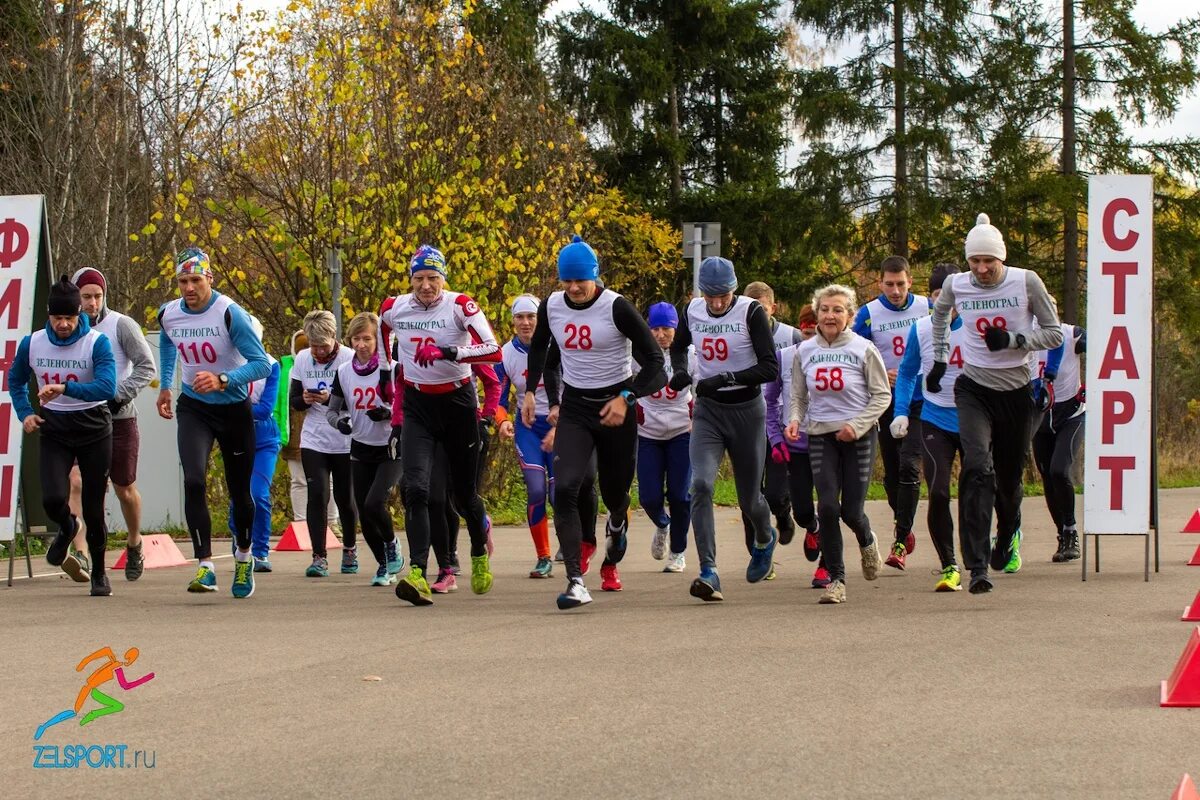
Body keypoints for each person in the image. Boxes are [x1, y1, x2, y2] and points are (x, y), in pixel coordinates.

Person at [524, 235, 665, 610]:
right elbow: (540, 349)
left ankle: (617, 523)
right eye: (567, 281)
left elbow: (656, 364)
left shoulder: (616, 307)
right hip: (576, 408)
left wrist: (627, 397)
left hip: (616, 408)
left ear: (595, 276)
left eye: (580, 281)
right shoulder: (552, 306)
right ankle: (575, 581)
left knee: (615, 494)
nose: (573, 288)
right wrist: (531, 391)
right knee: (566, 487)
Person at [929, 213, 1063, 593]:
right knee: (976, 468)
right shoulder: (956, 284)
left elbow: (1054, 334)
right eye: (975, 261)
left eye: (989, 261)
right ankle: (977, 566)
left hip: (1016, 392)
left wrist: (1015, 341)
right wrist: (940, 359)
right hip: (973, 389)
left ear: (1001, 258)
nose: (982, 269)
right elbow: (939, 316)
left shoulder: (1026, 281)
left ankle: (1007, 534)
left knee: (1008, 481)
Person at [380, 244, 502, 606]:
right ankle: (418, 572)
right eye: (419, 278)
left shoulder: (460, 305)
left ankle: (478, 552)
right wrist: (390, 372)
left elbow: (494, 349)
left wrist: (450, 352)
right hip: (418, 406)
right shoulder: (394, 307)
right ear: (410, 279)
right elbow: (384, 332)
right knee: (416, 489)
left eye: (433, 278)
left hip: (458, 404)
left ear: (443, 279)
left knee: (463, 495)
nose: (426, 286)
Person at [157, 247, 271, 598]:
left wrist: (224, 379)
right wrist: (165, 384)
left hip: (233, 409)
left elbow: (262, 365)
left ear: (210, 278)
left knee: (240, 491)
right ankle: (205, 565)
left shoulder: (229, 313)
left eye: (195, 280)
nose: (189, 288)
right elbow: (167, 341)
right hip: (195, 408)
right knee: (193, 480)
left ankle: (244, 556)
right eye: (183, 281)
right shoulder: (169, 313)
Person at [671, 257, 779, 603]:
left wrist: (727, 378)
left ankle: (765, 537)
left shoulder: (751, 312)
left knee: (749, 499)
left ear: (734, 290)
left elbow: (770, 368)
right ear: (701, 293)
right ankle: (709, 571)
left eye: (724, 296)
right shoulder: (692, 311)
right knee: (700, 485)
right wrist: (681, 371)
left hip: (747, 412)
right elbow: (677, 346)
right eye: (710, 296)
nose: (717, 304)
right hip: (709, 412)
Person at [8, 276, 116, 596]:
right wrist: (25, 412)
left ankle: (99, 572)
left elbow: (107, 387)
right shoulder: (33, 343)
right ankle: (68, 526)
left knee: (94, 508)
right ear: (49, 315)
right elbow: (15, 380)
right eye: (58, 318)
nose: (64, 325)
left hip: (94, 428)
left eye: (70, 317)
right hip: (55, 427)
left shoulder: (96, 342)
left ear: (79, 313)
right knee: (52, 499)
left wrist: (65, 388)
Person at [786, 283, 891, 604]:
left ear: (850, 316)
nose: (830, 316)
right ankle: (837, 579)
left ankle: (867, 539)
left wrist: (856, 426)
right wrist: (794, 419)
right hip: (821, 434)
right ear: (816, 313)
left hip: (859, 436)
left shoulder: (864, 349)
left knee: (852, 512)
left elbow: (882, 395)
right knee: (828, 507)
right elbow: (798, 396)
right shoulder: (805, 351)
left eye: (837, 310)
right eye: (825, 310)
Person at [67, 267, 156, 581]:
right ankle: (81, 553)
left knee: (123, 488)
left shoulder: (121, 325)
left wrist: (119, 395)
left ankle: (134, 542)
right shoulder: (66, 327)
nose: (92, 303)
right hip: (80, 418)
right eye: (86, 296)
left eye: (97, 296)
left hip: (119, 417)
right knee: (76, 482)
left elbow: (146, 367)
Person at [891, 263, 970, 591]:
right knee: (938, 491)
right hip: (934, 416)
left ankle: (980, 551)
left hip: (975, 418)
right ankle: (949, 564)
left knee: (976, 490)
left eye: (952, 297)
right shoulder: (921, 329)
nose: (945, 304)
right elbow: (907, 372)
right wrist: (901, 412)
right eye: (939, 296)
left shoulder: (977, 325)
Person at [852, 255, 930, 570]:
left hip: (921, 400)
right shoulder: (869, 314)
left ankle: (900, 540)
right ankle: (903, 519)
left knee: (910, 466)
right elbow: (853, 353)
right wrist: (882, 373)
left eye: (901, 284)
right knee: (893, 472)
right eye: (889, 284)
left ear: (910, 281)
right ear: (880, 283)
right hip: (885, 401)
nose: (895, 291)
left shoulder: (927, 307)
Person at [326, 311, 404, 587]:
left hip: (391, 447)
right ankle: (383, 565)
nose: (361, 345)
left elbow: (409, 407)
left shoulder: (393, 369)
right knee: (363, 511)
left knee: (374, 503)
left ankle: (392, 544)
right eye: (356, 339)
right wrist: (341, 422)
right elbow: (332, 411)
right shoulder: (344, 372)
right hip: (360, 447)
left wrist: (389, 414)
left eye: (367, 339)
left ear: (378, 341)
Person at [495, 294, 562, 579]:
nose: (526, 323)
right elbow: (498, 399)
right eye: (520, 317)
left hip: (561, 425)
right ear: (513, 321)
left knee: (559, 494)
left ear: (540, 319)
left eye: (531, 317)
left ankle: (571, 543)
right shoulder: (505, 354)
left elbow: (575, 388)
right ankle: (543, 557)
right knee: (536, 490)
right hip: (529, 428)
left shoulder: (557, 347)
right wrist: (502, 421)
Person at [290, 310, 357, 577]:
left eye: (323, 346)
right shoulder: (302, 359)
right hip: (314, 437)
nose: (318, 352)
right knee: (316, 494)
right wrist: (305, 399)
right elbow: (294, 401)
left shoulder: (349, 358)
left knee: (344, 496)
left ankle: (349, 548)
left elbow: (357, 402)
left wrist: (331, 399)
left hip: (344, 436)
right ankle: (319, 557)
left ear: (334, 337)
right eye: (313, 346)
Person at [428, 362, 500, 593]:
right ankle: (447, 564)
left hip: (469, 427)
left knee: (462, 498)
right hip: (436, 430)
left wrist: (487, 417)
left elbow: (493, 383)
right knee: (437, 497)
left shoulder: (467, 347)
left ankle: (480, 534)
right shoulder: (419, 347)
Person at [742, 281, 802, 557]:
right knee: (749, 492)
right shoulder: (736, 336)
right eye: (750, 309)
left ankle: (783, 513)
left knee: (775, 494)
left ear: (773, 308)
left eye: (762, 309)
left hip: (779, 424)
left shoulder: (792, 336)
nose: (755, 315)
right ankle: (757, 553)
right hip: (745, 421)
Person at [763, 305, 823, 586]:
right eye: (806, 332)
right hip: (795, 445)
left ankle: (828, 566)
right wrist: (776, 439)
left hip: (827, 442)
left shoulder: (836, 356)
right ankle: (812, 527)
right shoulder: (784, 357)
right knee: (798, 509)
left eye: (816, 332)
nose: (811, 338)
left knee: (830, 505)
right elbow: (770, 402)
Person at [636, 302, 693, 574]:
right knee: (648, 496)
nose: (660, 335)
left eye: (666, 329)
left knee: (681, 495)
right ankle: (662, 523)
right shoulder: (639, 354)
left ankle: (678, 552)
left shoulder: (689, 354)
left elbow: (701, 385)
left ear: (676, 329)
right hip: (649, 431)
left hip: (682, 429)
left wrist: (699, 419)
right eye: (655, 329)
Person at [228, 315, 280, 572]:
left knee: (258, 494)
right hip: (235, 435)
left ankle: (260, 551)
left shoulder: (271, 365)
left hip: (264, 438)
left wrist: (237, 407)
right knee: (238, 494)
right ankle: (239, 538)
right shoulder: (226, 364)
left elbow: (265, 408)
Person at [1031, 322, 1086, 562]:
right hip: (1040, 417)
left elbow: (1105, 353)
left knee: (1059, 471)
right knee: (1047, 476)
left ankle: (1071, 530)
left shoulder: (1072, 335)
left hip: (1071, 415)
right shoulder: (1027, 336)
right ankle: (1062, 534)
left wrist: (1094, 386)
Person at [281, 329, 338, 533]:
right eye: (302, 348)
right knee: (299, 480)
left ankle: (332, 522)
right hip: (294, 431)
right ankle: (301, 524)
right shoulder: (286, 370)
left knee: (327, 481)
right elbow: (285, 401)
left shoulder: (338, 363)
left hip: (327, 430)